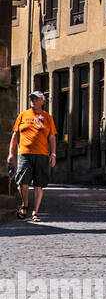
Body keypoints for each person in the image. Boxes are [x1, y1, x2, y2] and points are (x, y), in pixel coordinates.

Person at [7, 91, 57, 221]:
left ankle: (35, 212)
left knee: (39, 184)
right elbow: (15, 135)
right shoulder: (23, 115)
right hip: (24, 153)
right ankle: (25, 205)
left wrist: (53, 154)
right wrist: (11, 154)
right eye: (32, 99)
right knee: (23, 183)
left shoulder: (47, 117)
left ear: (42, 101)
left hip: (42, 154)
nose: (33, 101)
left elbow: (51, 137)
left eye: (36, 99)